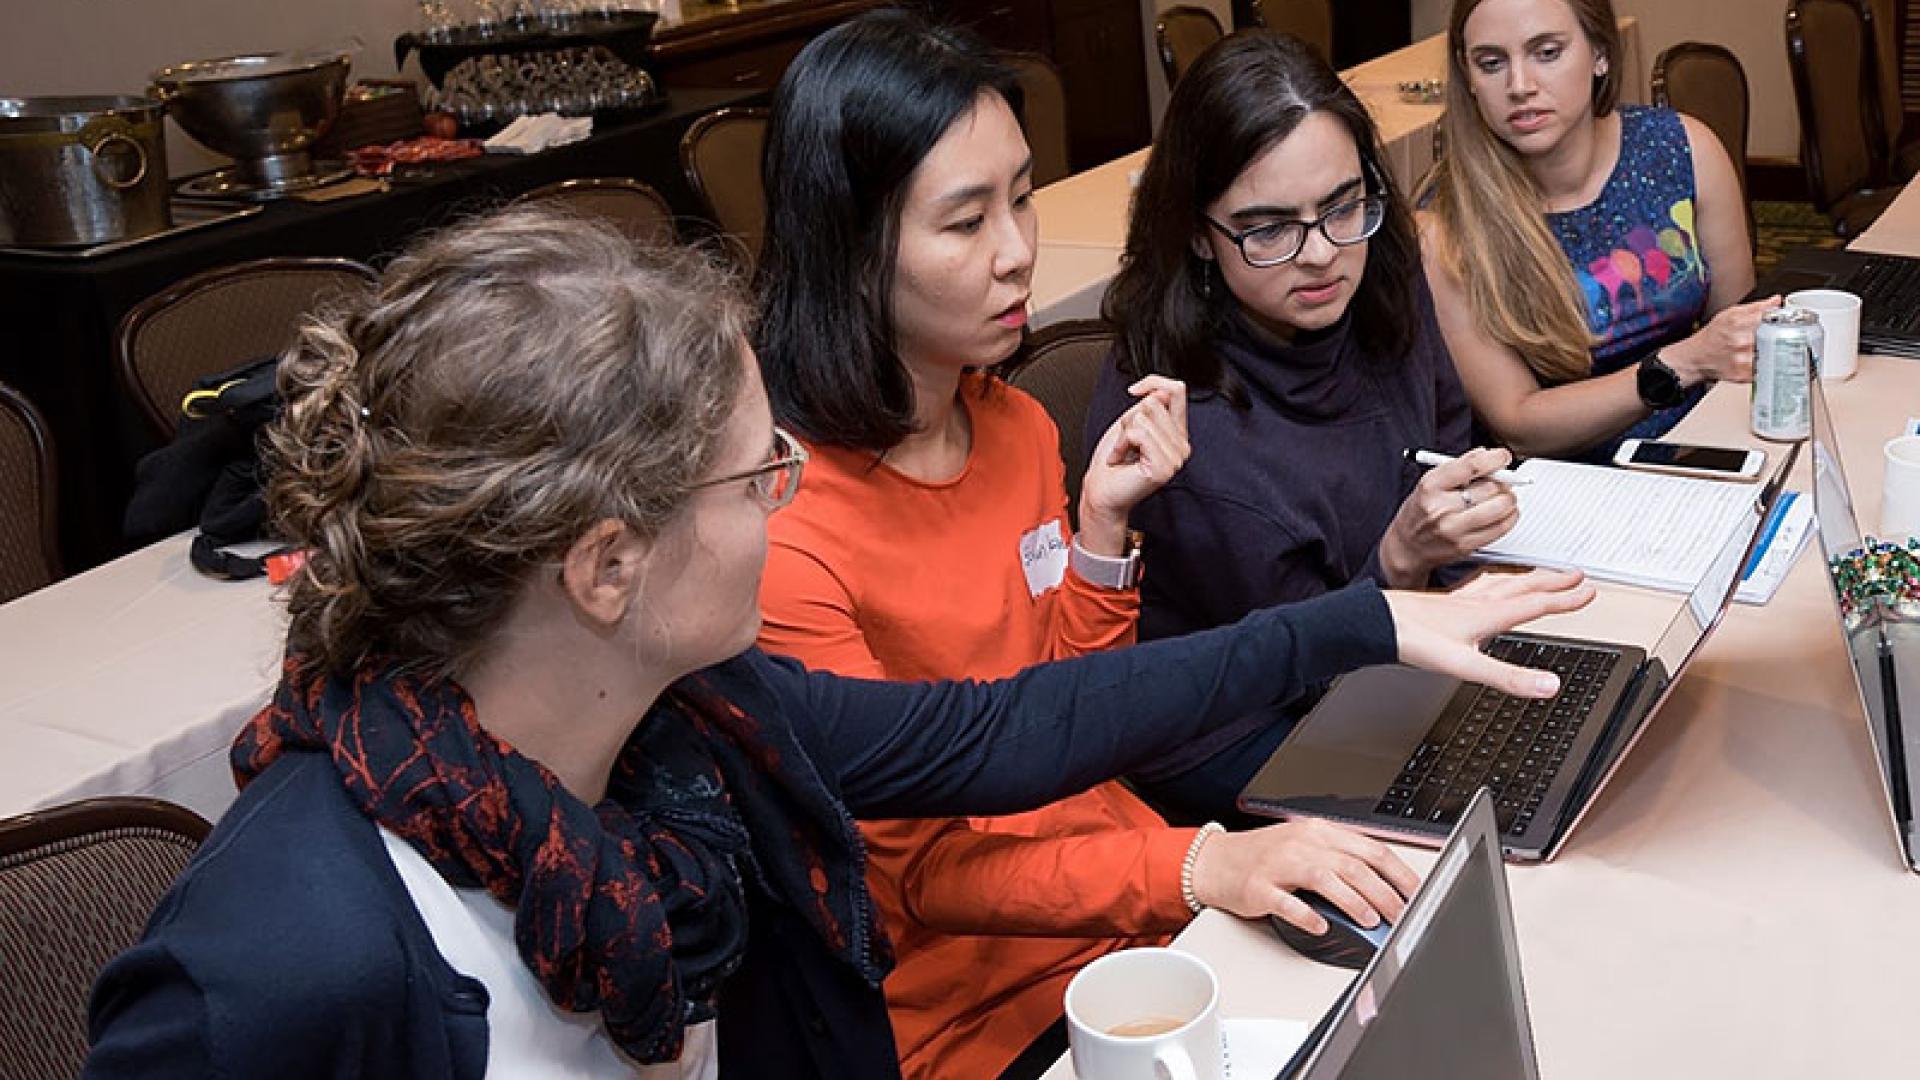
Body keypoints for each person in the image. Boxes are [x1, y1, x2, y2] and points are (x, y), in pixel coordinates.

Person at [84, 206, 1589, 1080]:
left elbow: (1010, 729)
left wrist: (1371, 617)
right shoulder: (281, 959)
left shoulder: (691, 727)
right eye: (758, 476)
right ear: (605, 564)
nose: (789, 499)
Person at [752, 14, 1470, 1079]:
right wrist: (1199, 864)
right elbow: (919, 872)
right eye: (965, 222)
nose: (1019, 251)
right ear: (852, 246)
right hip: (975, 1005)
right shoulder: (785, 525)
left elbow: (1068, 722)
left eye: (1024, 196)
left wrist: (1098, 535)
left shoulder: (1014, 427)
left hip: (1130, 923)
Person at [1088, 30, 1522, 827]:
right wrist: (1401, 558)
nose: (1321, 254)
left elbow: (1448, 432)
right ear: (1196, 233)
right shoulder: (1178, 423)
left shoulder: (1378, 275)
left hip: (1395, 643)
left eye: (1342, 205)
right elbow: (1299, 676)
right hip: (1244, 728)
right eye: (1269, 229)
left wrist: (1460, 522)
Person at [1416, 0, 1778, 461]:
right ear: (1468, 78)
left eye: (1546, 52)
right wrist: (1682, 363)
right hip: (1559, 487)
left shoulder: (1683, 149)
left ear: (1600, 53)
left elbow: (1738, 338)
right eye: (1491, 63)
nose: (1520, 86)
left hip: (1701, 449)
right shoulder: (1443, 227)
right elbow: (1520, 425)